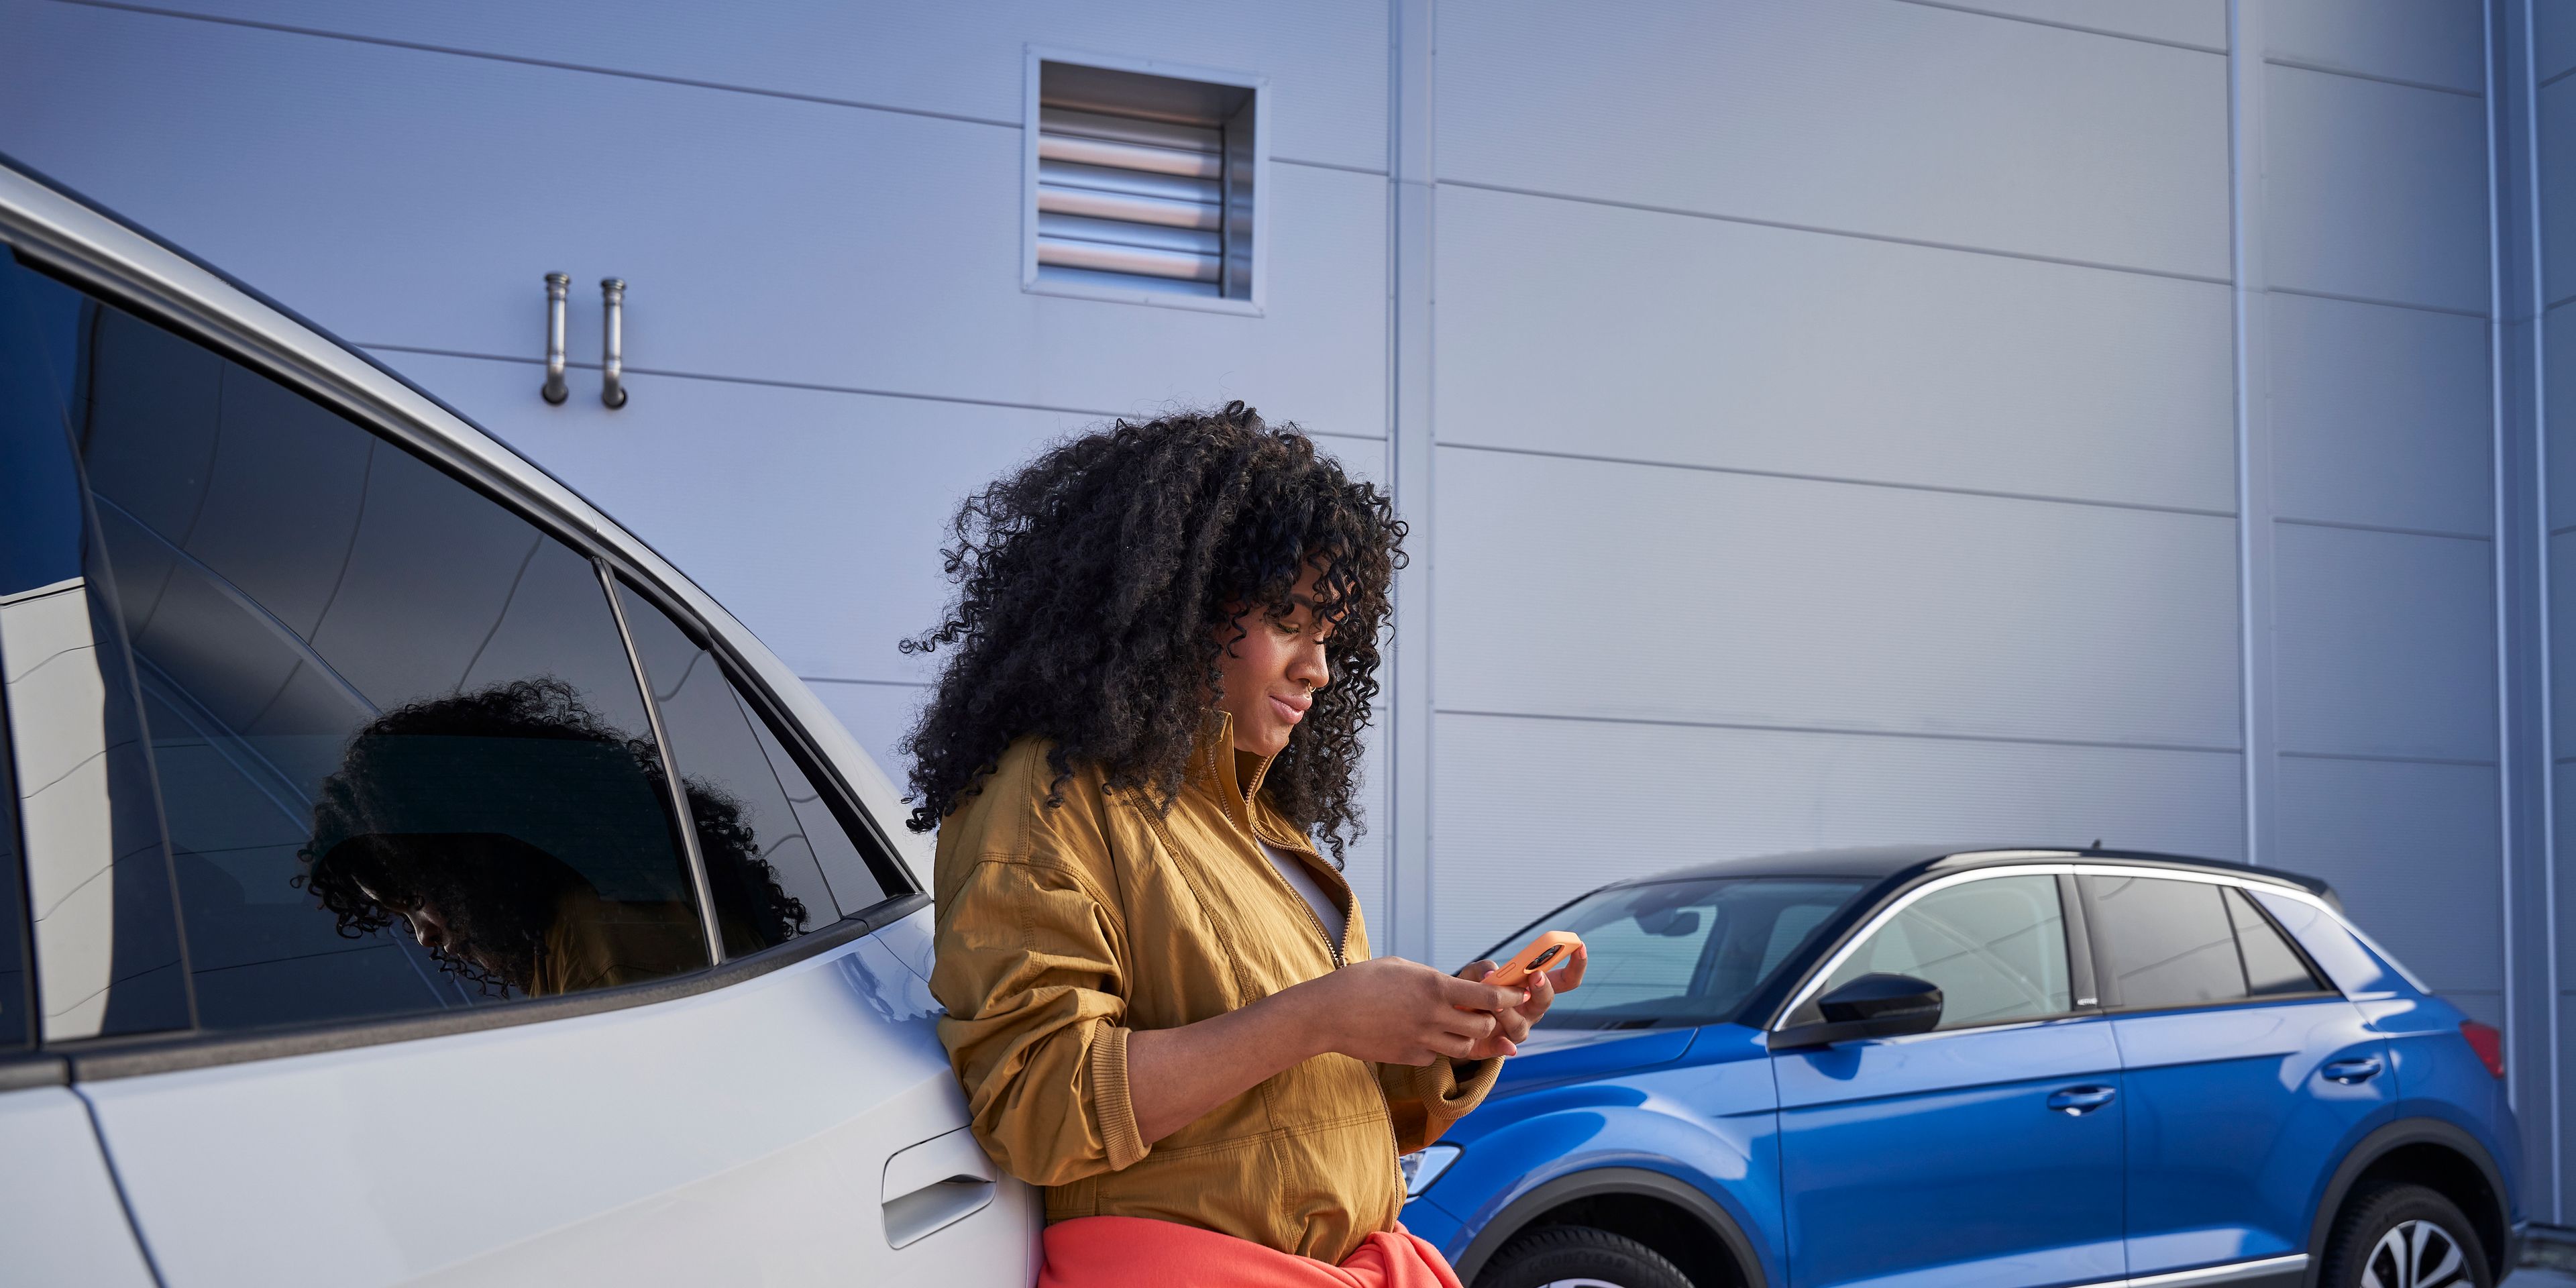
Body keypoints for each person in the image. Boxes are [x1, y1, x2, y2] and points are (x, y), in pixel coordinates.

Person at [903, 404, 1585, 1287]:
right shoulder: (1052, 792)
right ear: (1180, 602)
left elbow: (1296, 1107)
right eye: (1291, 622)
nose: (1320, 669)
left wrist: (1452, 1039)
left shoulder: (1260, 823)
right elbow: (1038, 1102)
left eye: (1330, 636)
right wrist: (1324, 1012)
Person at [298, 678, 808, 998]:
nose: (424, 936)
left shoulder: (608, 947)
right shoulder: (587, 929)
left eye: (413, 900)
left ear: (470, 857)